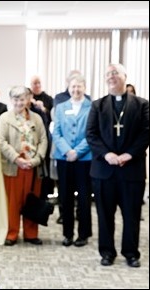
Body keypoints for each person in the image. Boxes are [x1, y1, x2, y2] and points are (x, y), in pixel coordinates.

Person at [86, 63, 149, 268]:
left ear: (125, 76)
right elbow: (91, 134)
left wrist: (129, 154)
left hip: (132, 170)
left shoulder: (142, 104)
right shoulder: (97, 105)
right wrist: (108, 154)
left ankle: (131, 253)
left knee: (131, 215)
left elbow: (146, 132)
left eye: (116, 73)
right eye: (108, 74)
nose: (111, 76)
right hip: (104, 171)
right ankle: (107, 252)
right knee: (104, 215)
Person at [0, 85, 48, 246]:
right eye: (16, 99)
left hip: (33, 167)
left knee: (31, 200)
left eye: (22, 99)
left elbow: (44, 140)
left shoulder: (36, 118)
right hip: (14, 166)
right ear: (11, 100)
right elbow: (1, 141)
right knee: (13, 202)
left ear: (28, 100)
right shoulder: (5, 118)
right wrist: (17, 158)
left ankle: (31, 233)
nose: (19, 102)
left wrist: (36, 159)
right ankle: (12, 233)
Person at [52, 74, 92, 247]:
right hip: (64, 158)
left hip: (85, 159)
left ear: (84, 87)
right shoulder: (61, 107)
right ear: (68, 88)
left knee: (84, 198)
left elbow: (92, 133)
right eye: (73, 87)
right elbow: (56, 132)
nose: (76, 90)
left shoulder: (92, 107)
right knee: (65, 197)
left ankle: (83, 234)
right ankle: (67, 233)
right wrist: (67, 151)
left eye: (79, 86)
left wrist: (77, 151)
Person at [29, 75, 55, 202]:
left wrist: (43, 108)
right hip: (29, 138)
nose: (36, 85)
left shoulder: (48, 98)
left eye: (38, 83)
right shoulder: (27, 98)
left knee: (44, 165)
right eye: (34, 83)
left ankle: (45, 195)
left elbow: (53, 116)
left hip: (45, 135)